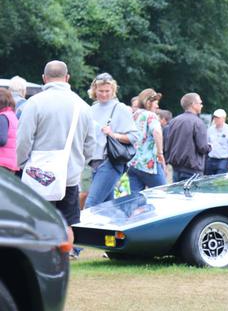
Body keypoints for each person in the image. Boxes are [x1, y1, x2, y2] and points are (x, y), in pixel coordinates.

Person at [16, 60, 95, 230]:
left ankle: (43, 256)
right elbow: (90, 146)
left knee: (39, 224)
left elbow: (23, 139)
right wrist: (78, 164)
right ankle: (64, 256)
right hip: (70, 176)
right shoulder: (83, 106)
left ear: (44, 78)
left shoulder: (34, 103)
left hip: (38, 176)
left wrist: (23, 164)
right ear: (67, 78)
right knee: (68, 226)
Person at [84, 73, 140, 208]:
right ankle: (115, 229)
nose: (104, 94)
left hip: (110, 162)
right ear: (94, 90)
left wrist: (113, 134)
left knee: (91, 205)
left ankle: (83, 230)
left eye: (107, 91)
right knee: (107, 208)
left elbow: (134, 137)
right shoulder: (90, 109)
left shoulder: (120, 108)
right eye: (100, 91)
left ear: (113, 90)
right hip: (93, 163)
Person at [126, 90, 166, 193]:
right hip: (148, 164)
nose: (157, 106)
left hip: (133, 164)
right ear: (148, 102)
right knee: (163, 194)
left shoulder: (134, 115)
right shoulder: (151, 115)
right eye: (156, 103)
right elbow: (157, 131)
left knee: (136, 200)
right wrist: (160, 153)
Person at [165, 93, 209, 182]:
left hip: (176, 168)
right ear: (193, 104)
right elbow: (203, 147)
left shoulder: (174, 121)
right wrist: (210, 147)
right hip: (192, 170)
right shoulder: (198, 122)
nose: (201, 105)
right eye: (200, 103)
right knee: (191, 195)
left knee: (177, 195)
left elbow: (167, 143)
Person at [206, 108, 228, 175]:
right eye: (215, 117)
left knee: (219, 180)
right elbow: (206, 144)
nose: (216, 119)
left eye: (218, 118)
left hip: (223, 160)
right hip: (211, 159)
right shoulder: (210, 129)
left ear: (223, 119)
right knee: (208, 180)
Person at [0, 89, 19, 172]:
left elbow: (2, 140)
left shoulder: (2, 117)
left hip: (2, 163)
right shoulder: (12, 115)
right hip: (11, 163)